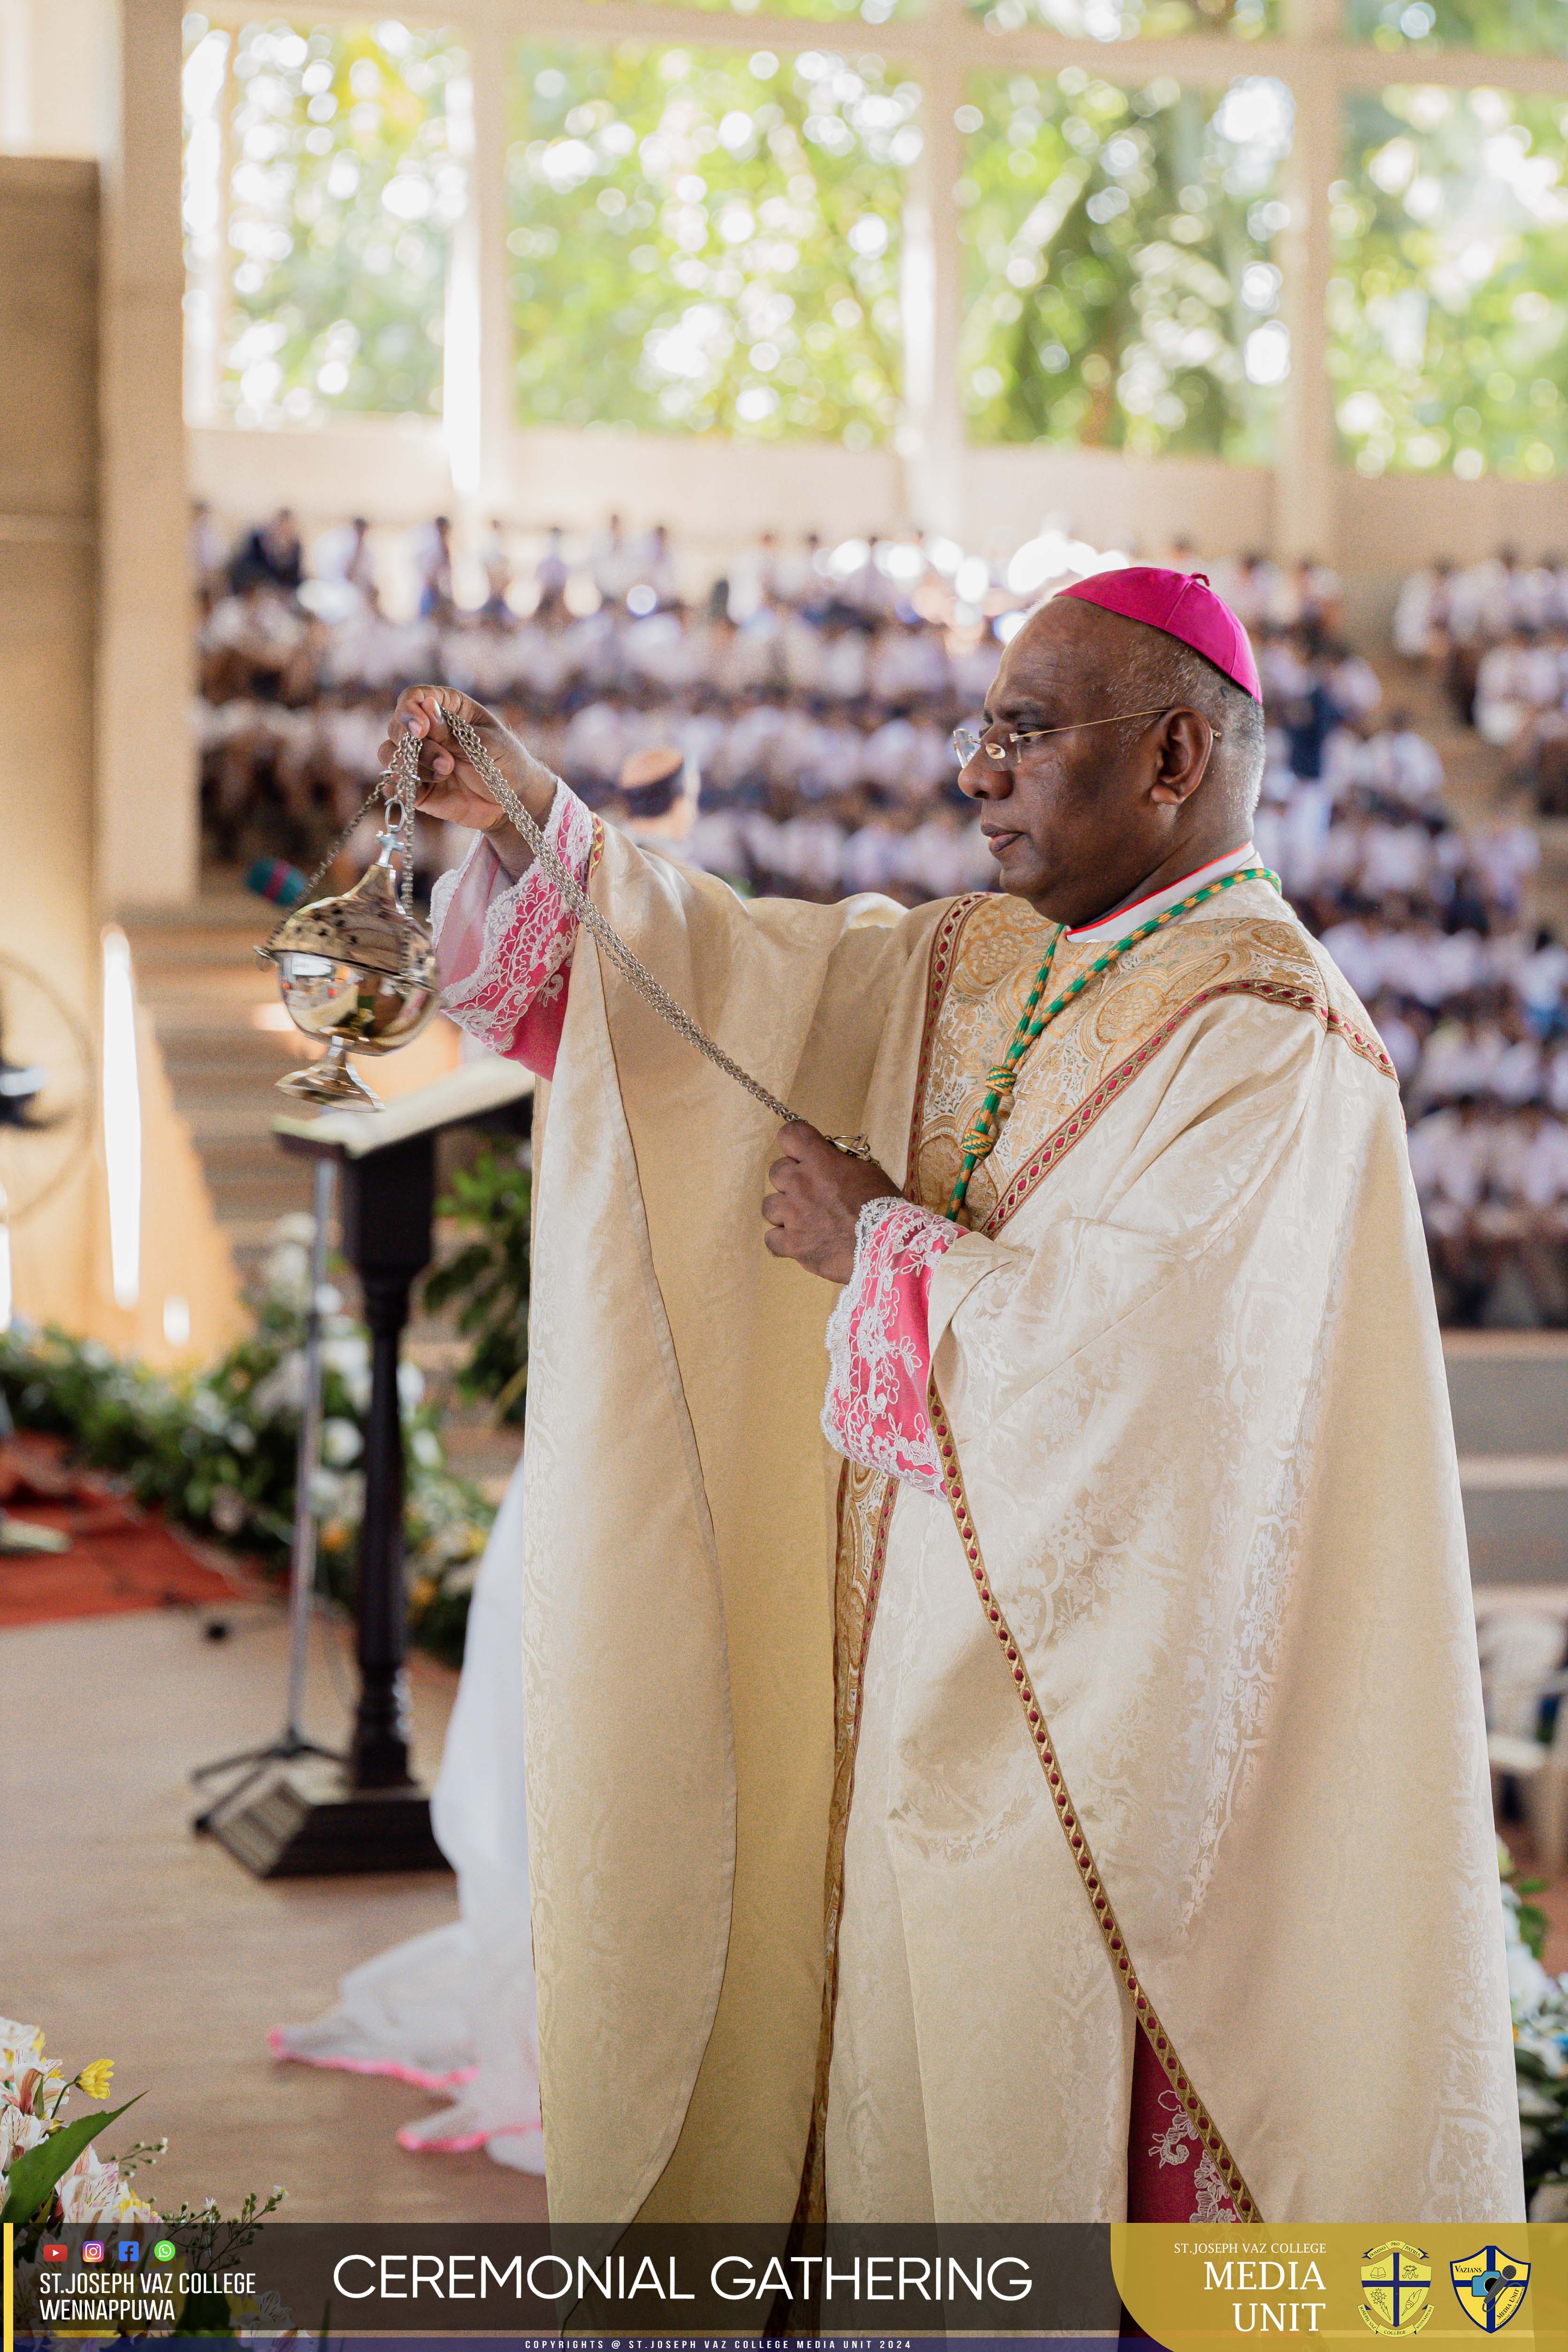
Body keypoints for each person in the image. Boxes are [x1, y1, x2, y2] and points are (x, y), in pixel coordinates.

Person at [376, 567, 1521, 2231]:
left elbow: (1161, 1390)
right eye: (980, 729)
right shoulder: (983, 960)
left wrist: (881, 1247)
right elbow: (735, 986)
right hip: (911, 1682)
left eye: (1025, 731)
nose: (976, 771)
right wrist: (542, 824)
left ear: (1175, 758)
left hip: (1104, 1747)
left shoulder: (1271, 1038)